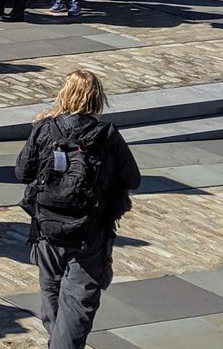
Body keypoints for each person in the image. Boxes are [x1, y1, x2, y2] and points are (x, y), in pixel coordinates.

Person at [14, 71, 140, 349]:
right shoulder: (106, 134)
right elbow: (133, 179)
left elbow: (22, 172)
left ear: (64, 94)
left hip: (47, 228)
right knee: (78, 301)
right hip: (90, 231)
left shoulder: (44, 128)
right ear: (97, 98)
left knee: (53, 296)